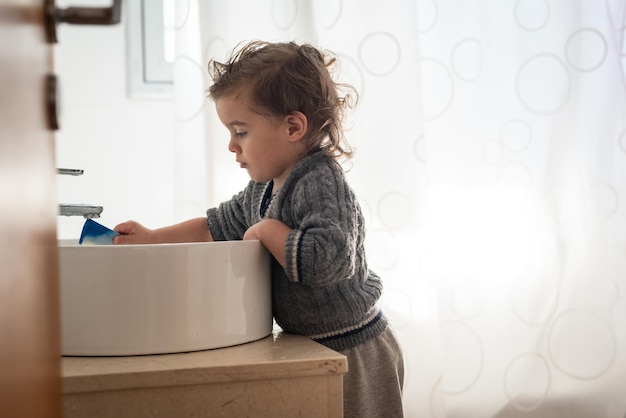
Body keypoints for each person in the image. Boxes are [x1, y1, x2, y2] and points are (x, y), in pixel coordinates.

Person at [113, 40, 404, 417]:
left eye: (241, 131)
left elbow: (329, 259)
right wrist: (153, 237)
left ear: (293, 127)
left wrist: (268, 230)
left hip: (356, 349)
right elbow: (215, 226)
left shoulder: (319, 181)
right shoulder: (262, 188)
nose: (232, 146)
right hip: (317, 345)